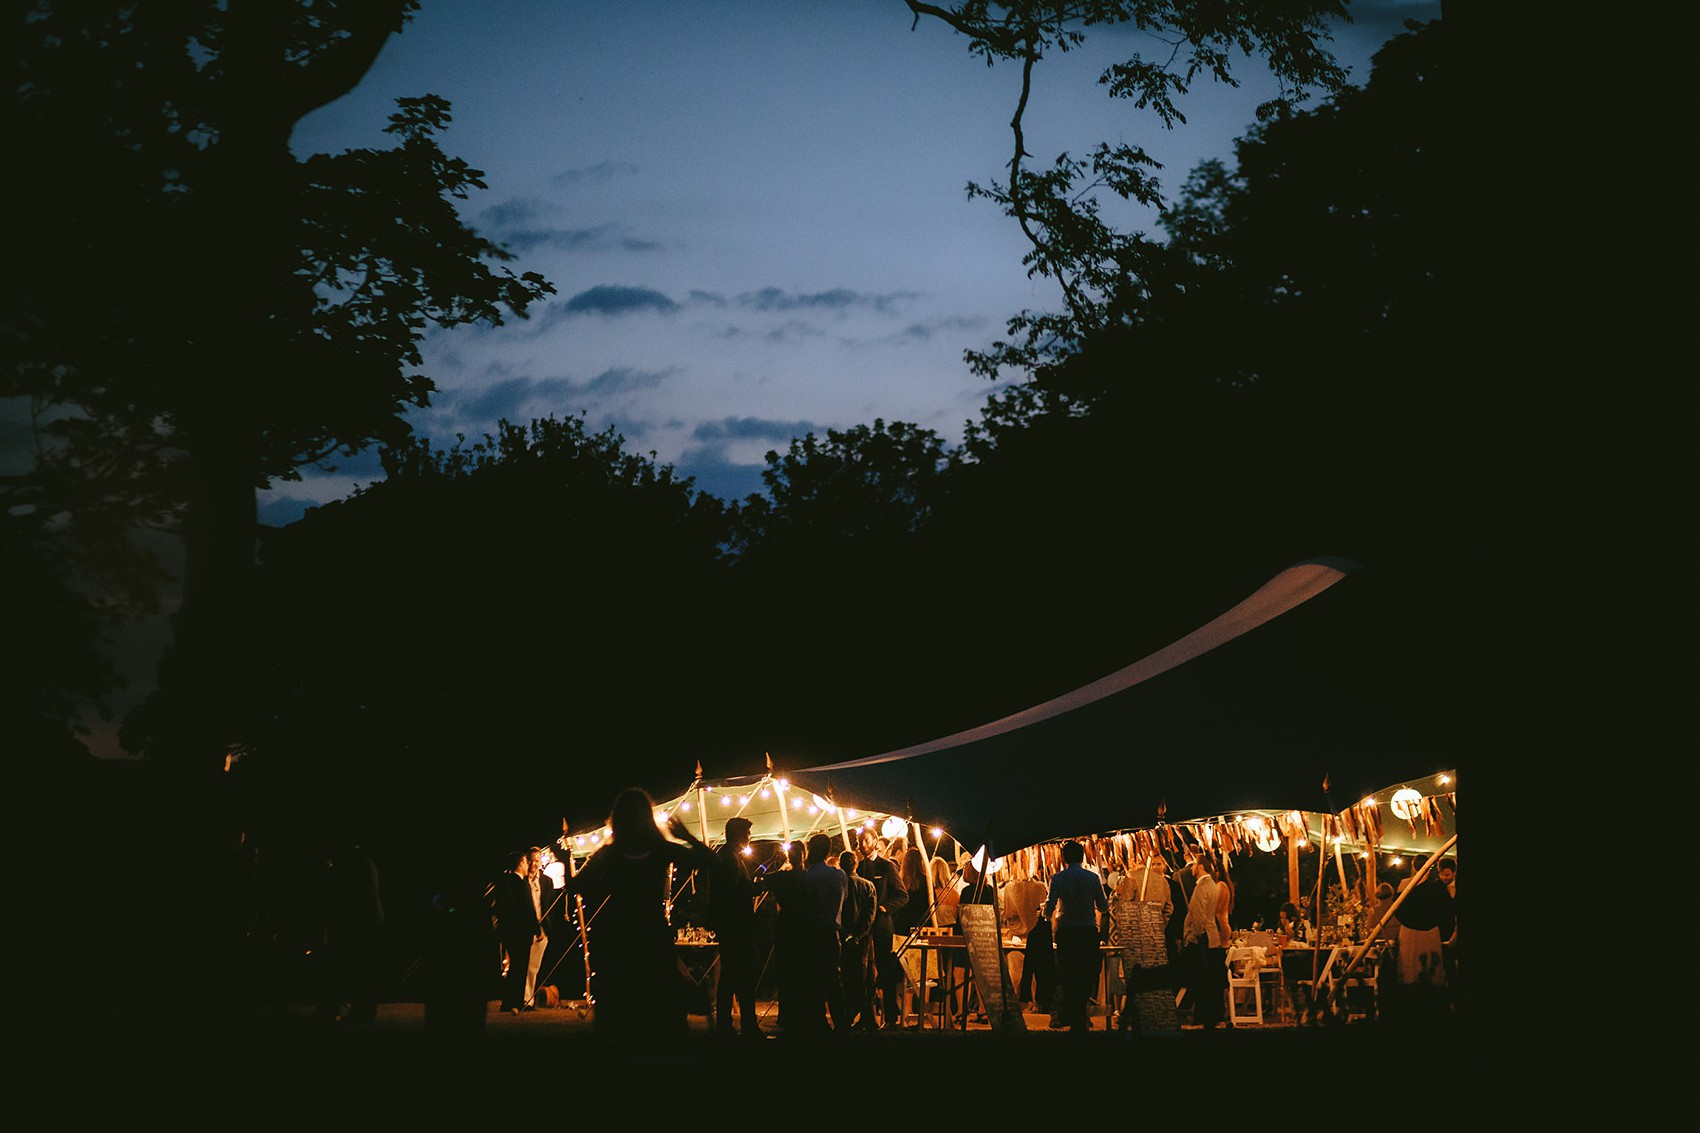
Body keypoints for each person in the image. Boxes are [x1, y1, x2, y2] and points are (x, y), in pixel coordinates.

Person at [563, 787, 715, 1041]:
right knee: (658, 999)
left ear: (617, 820)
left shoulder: (610, 853)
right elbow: (710, 862)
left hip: (620, 934)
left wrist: (568, 861)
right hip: (651, 931)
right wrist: (686, 836)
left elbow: (575, 886)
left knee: (623, 1003)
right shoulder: (660, 849)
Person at [1043, 841, 1108, 1031]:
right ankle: (1080, 1017)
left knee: (1067, 974)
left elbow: (1050, 907)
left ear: (1063, 858)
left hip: (1066, 932)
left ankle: (1071, 1016)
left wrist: (1045, 915)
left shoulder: (1058, 878)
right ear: (1082, 857)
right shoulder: (1092, 878)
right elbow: (1103, 906)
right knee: (1085, 974)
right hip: (1088, 931)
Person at [710, 816, 760, 1038]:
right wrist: (755, 887)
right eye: (747, 834)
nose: (750, 838)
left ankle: (727, 1024)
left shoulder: (729, 857)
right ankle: (745, 1026)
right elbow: (733, 893)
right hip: (736, 927)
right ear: (739, 835)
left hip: (732, 926)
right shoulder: (729, 859)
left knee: (731, 977)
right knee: (741, 977)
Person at [857, 831, 909, 1028]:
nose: (863, 844)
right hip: (862, 928)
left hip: (882, 927)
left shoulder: (887, 866)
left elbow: (903, 895)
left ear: (875, 842)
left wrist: (885, 907)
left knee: (885, 972)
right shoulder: (858, 867)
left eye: (866, 840)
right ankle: (866, 1017)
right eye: (860, 841)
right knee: (863, 974)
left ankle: (890, 1018)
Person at [799, 832, 848, 1032]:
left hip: (814, 933)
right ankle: (841, 1022)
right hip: (833, 932)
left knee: (815, 980)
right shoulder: (839, 875)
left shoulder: (809, 877)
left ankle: (819, 1022)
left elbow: (805, 907)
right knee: (834, 980)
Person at [1181, 855, 1227, 1030]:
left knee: (1201, 980)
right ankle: (1214, 1016)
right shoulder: (1213, 886)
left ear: (1200, 866)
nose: (1191, 868)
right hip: (1212, 937)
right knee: (1211, 981)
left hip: (1203, 938)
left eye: (1193, 865)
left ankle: (1202, 1017)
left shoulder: (1202, 886)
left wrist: (1192, 937)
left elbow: (1198, 915)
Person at [890, 847, 931, 1027]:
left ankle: (904, 1012)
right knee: (920, 974)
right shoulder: (925, 882)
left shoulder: (900, 881)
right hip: (919, 932)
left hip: (900, 932)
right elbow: (928, 908)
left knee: (900, 975)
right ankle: (919, 1011)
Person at [494, 849, 538, 1016]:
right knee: (520, 968)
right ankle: (515, 1002)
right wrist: (536, 928)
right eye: (526, 862)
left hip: (509, 931)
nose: (528, 866)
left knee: (514, 968)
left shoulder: (505, 882)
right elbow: (528, 908)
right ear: (521, 863)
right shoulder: (520, 883)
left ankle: (509, 1002)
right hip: (521, 932)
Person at [838, 849, 878, 1029]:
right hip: (863, 940)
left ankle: (848, 1015)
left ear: (840, 864)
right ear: (856, 864)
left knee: (847, 978)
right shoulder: (868, 886)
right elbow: (871, 915)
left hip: (843, 938)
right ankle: (866, 1016)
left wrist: (846, 934)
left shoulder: (839, 885)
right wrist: (860, 934)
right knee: (865, 978)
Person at [523, 846, 548, 1010]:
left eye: (537, 860)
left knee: (534, 967)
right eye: (531, 860)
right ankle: (525, 1000)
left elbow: (549, 904)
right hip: (525, 928)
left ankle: (528, 999)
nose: (534, 864)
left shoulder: (546, 881)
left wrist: (545, 928)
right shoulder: (521, 880)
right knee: (523, 966)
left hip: (542, 929)